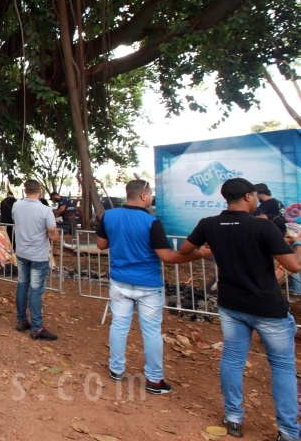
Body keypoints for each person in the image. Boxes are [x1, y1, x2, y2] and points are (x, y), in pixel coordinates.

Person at [180, 178, 301, 441]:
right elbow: (293, 266)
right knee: (282, 366)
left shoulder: (208, 224)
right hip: (267, 307)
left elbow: (185, 249)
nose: (257, 200)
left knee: (233, 359)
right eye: (256, 196)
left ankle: (233, 417)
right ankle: (289, 431)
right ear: (248, 196)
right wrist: (298, 241)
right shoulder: (263, 226)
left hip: (231, 304)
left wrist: (205, 249)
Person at [96, 179, 211, 395]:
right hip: (148, 285)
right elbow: (166, 256)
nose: (151, 198)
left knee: (119, 326)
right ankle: (154, 380)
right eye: (150, 194)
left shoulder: (109, 216)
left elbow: (101, 244)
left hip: (119, 281)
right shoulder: (151, 222)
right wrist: (200, 254)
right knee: (151, 332)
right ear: (142, 196)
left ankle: (116, 369)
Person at [11, 179, 60, 341]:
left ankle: (22, 320)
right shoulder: (45, 210)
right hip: (38, 256)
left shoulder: (16, 206)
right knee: (36, 290)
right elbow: (54, 236)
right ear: (40, 192)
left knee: (22, 285)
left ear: (25, 191)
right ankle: (37, 327)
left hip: (22, 252)